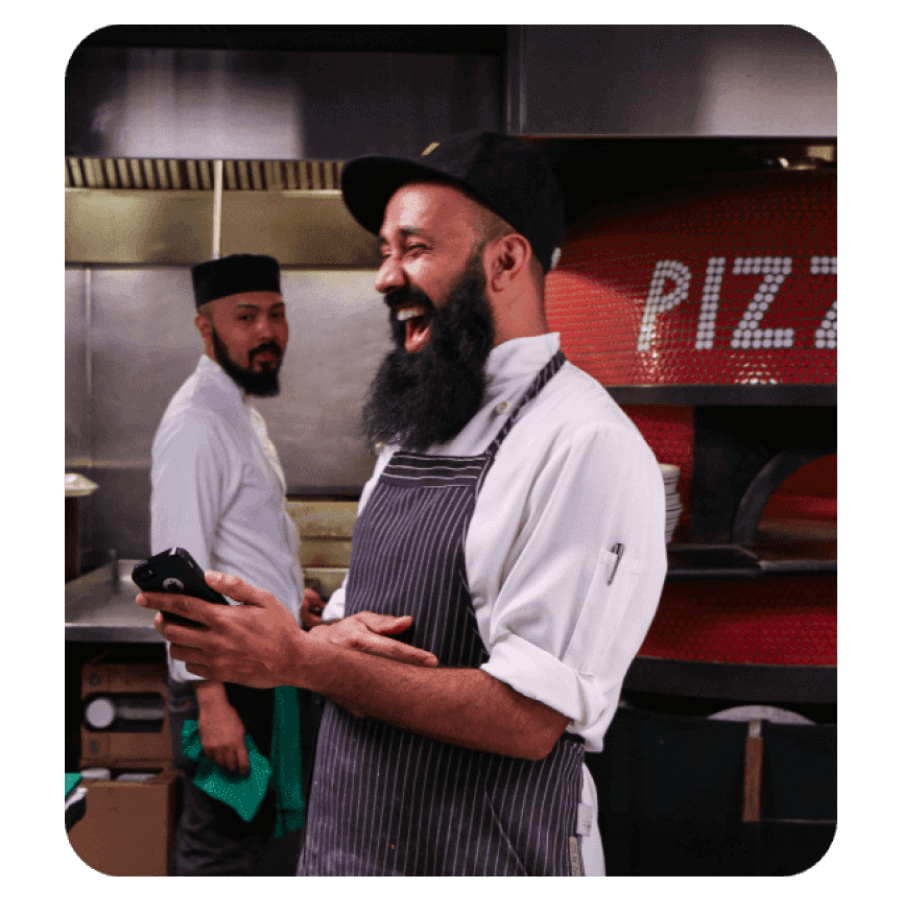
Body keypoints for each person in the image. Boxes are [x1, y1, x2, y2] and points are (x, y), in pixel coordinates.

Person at [139, 133, 667, 877]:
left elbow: (529, 719)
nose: (385, 279)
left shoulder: (582, 443)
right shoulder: (419, 426)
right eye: (383, 253)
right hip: (353, 844)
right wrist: (315, 633)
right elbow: (369, 623)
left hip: (485, 855)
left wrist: (299, 659)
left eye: (413, 249)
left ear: (506, 260)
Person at [150, 253, 323, 876]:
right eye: (245, 317)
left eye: (276, 315)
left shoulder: (240, 412)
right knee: (222, 849)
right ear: (206, 328)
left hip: (265, 673)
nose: (266, 332)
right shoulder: (199, 421)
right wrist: (210, 702)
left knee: (268, 846)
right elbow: (175, 573)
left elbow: (243, 544)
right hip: (224, 688)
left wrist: (288, 597)